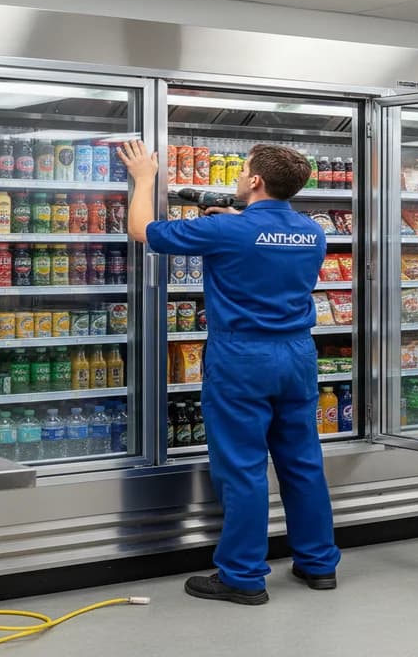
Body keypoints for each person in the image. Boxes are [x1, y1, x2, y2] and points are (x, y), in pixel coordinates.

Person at [118, 140, 341, 605]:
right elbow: (265, 242)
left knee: (242, 467)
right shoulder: (311, 232)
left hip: (243, 358)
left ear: (255, 180)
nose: (238, 177)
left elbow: (141, 230)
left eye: (243, 171)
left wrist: (143, 178)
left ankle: (242, 576)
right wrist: (236, 219)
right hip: (298, 355)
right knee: (303, 462)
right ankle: (319, 564)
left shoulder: (225, 230)